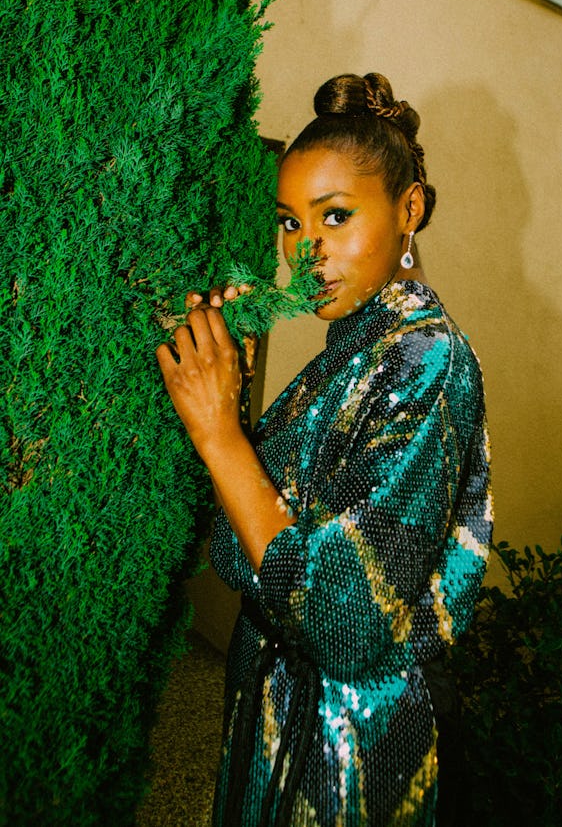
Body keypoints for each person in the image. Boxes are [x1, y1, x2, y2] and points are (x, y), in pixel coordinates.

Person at [156, 72, 493, 827]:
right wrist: (231, 400)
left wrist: (219, 435)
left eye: (335, 217)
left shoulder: (424, 362)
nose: (306, 253)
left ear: (411, 210)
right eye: (289, 224)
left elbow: (348, 622)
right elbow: (253, 537)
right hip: (281, 708)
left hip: (350, 744)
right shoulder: (348, 354)